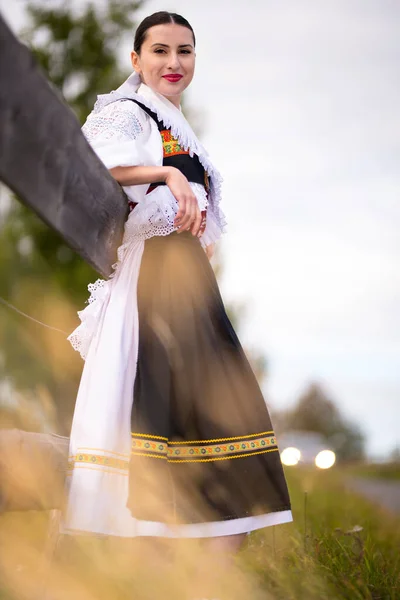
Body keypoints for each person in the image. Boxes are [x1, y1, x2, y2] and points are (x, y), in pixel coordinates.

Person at [60, 10, 292, 565]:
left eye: (184, 51)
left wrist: (180, 186)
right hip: (155, 284)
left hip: (188, 285)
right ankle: (163, 565)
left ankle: (198, 574)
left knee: (221, 424)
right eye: (159, 50)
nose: (173, 62)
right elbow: (90, 160)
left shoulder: (173, 124)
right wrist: (167, 175)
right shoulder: (129, 111)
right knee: (173, 418)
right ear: (136, 60)